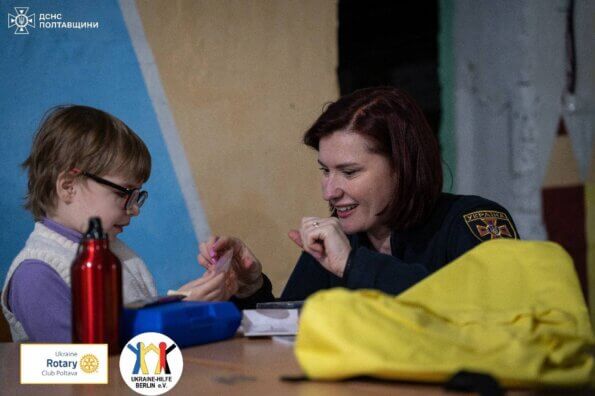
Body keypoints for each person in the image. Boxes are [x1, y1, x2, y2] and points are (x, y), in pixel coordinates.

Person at [199, 86, 519, 307]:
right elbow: (289, 336)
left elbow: (499, 314)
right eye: (325, 170)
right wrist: (252, 289)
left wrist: (352, 265)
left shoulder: (473, 220)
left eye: (350, 172)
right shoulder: (340, 237)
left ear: (403, 167)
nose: (330, 191)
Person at [1, 105, 237, 342]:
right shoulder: (37, 274)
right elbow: (81, 365)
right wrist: (179, 310)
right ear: (68, 187)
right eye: (123, 193)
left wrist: (189, 304)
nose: (134, 209)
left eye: (137, 196)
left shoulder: (116, 252)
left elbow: (136, 337)